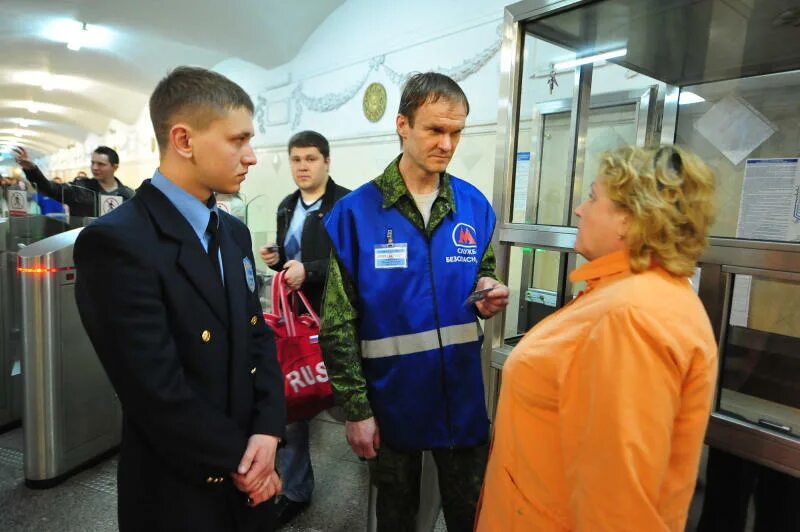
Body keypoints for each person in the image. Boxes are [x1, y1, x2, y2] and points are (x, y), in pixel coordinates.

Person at [74, 66, 286, 531]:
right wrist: (247, 463)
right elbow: (155, 390)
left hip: (251, 470)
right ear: (184, 141)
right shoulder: (117, 242)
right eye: (237, 139)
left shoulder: (232, 231)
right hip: (182, 490)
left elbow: (258, 337)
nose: (250, 156)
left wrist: (269, 429)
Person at [475, 145, 718, 531]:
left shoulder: (632, 317)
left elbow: (617, 507)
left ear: (628, 219)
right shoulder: (625, 294)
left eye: (592, 197)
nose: (580, 210)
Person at [320, 72, 509, 532]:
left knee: (473, 513)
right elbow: (338, 323)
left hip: (460, 398)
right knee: (397, 516)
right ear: (402, 125)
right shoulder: (355, 214)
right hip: (391, 401)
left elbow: (481, 272)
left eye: (457, 132)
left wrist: (488, 291)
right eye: (435, 129)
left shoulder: (474, 206)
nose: (447, 143)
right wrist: (357, 410)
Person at [258, 130, 350, 526]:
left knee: (352, 404)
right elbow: (290, 259)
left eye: (311, 159)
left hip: (338, 320)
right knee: (292, 403)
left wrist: (307, 269)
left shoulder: (346, 204)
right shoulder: (285, 206)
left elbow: (356, 263)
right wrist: (279, 260)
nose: (302, 167)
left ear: (327, 162)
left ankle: (375, 468)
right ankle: (296, 489)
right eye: (296, 159)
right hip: (298, 321)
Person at [13, 145, 133, 217]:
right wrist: (32, 170)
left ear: (115, 167)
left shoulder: (127, 195)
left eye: (101, 164)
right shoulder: (80, 189)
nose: (95, 167)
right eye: (93, 163)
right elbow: (50, 189)